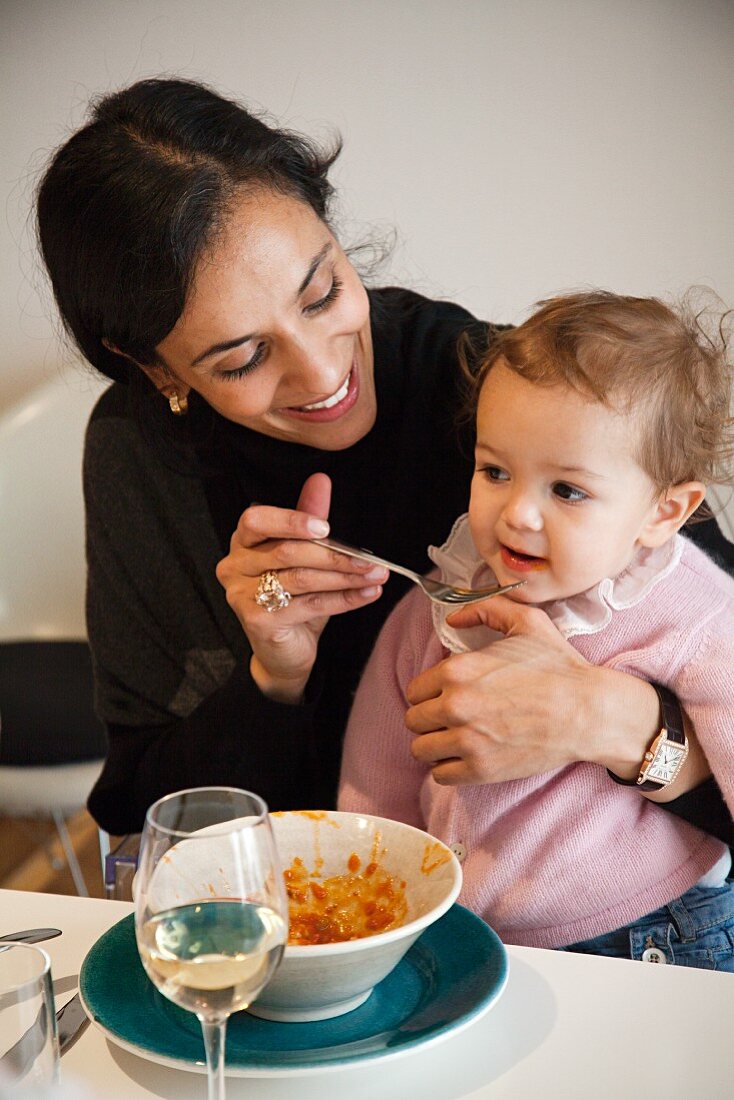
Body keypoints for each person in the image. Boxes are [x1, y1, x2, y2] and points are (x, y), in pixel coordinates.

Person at [34, 77, 733, 839]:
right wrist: (274, 675)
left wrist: (613, 725)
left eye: (323, 292)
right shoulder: (142, 452)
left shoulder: (514, 396)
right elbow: (145, 811)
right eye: (242, 359)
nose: (322, 373)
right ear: (157, 368)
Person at [339, 291, 734, 967]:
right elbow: (376, 779)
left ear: (664, 513)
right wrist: (370, 901)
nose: (517, 513)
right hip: (465, 931)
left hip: (650, 931)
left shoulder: (695, 612)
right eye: (495, 471)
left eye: (567, 491)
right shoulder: (436, 602)